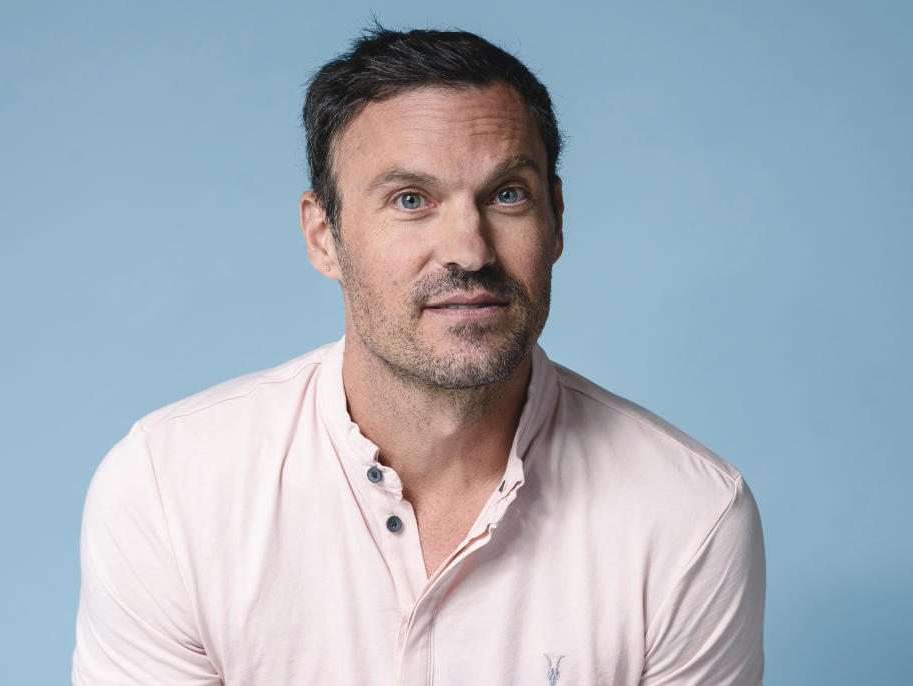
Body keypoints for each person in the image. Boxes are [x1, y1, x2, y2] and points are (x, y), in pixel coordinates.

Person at [72, 26, 765, 686]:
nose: (469, 249)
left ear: (556, 219)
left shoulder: (687, 515)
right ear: (323, 236)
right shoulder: (169, 492)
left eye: (508, 195)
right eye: (411, 200)